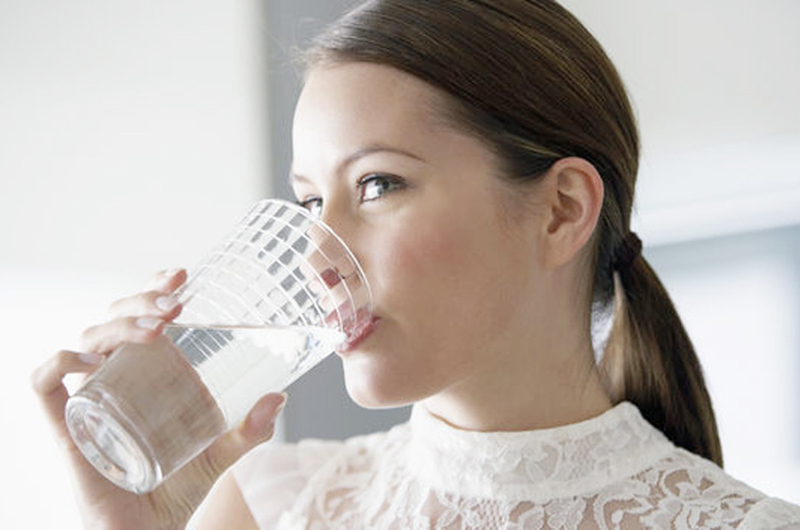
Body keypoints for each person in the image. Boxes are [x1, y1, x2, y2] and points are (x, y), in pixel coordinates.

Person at [32, 1, 800, 528]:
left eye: (377, 184)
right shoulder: (270, 508)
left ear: (563, 208)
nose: (312, 257)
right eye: (307, 203)